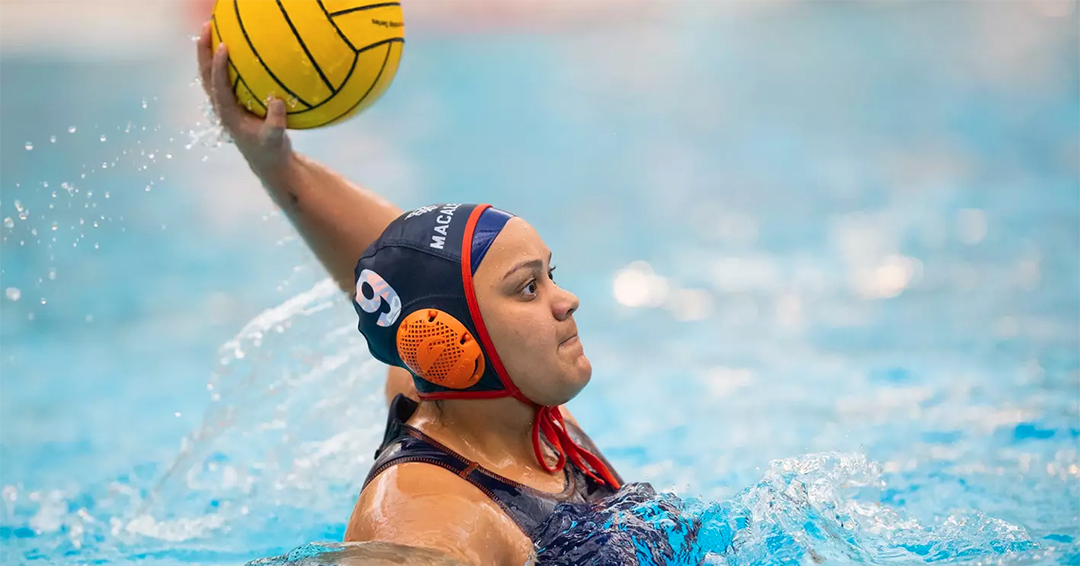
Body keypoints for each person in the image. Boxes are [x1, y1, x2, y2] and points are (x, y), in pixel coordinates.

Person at [196, 23, 624, 566]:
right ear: (452, 342)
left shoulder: (490, 403)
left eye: (551, 275)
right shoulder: (430, 519)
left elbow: (398, 270)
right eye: (529, 287)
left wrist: (275, 165)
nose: (567, 302)